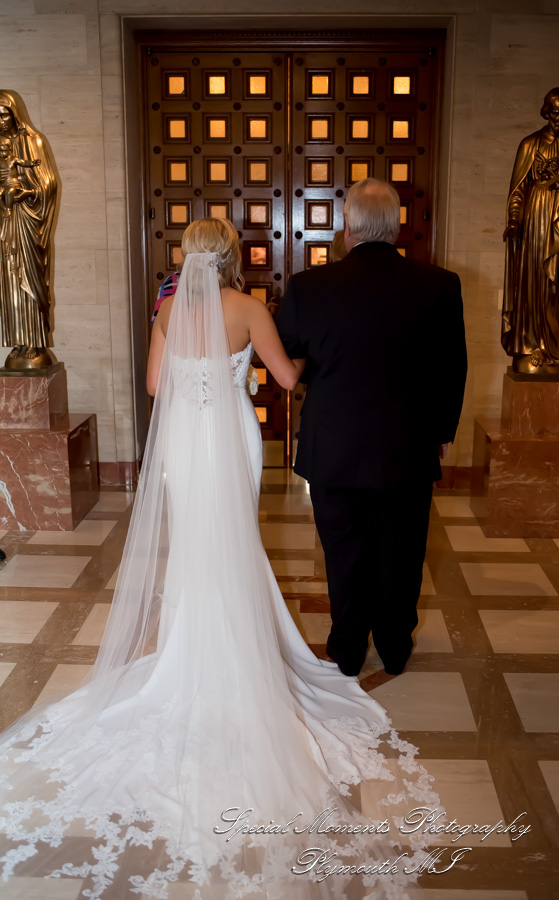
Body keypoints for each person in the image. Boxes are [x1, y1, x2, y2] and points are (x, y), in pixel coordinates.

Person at [0, 217, 440, 900]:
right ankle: (233, 649)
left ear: (185, 260)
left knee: (196, 545)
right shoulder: (248, 308)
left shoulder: (169, 310)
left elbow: (153, 387)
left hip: (184, 438)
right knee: (235, 538)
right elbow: (288, 375)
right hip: (230, 433)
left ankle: (189, 644)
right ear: (233, 257)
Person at [276, 178, 467, 678]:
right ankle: (395, 645)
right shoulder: (440, 285)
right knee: (403, 550)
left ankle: (348, 645)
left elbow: (286, 353)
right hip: (408, 444)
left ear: (348, 229)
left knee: (343, 549)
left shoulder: (308, 287)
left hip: (334, 445)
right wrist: (442, 431)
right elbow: (453, 367)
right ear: (396, 227)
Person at [502, 86, 559, 374]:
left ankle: (556, 349)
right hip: (536, 221)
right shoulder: (530, 144)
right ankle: (534, 345)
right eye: (556, 112)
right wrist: (514, 221)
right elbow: (517, 191)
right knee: (537, 282)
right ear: (547, 112)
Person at [0, 91, 57, 366]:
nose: (0, 120)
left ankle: (35, 340)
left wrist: (28, 192)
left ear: (15, 113)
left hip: (29, 222)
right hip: (7, 220)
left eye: (4, 113)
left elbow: (49, 183)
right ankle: (18, 342)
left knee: (31, 282)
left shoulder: (33, 141)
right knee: (10, 282)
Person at [0, 136, 40, 216]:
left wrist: (32, 163)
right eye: (0, 151)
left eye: (4, 151)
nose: (2, 153)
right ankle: (4, 209)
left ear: (10, 150)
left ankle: (9, 209)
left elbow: (23, 162)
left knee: (9, 192)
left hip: (13, 184)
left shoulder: (13, 159)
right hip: (2, 184)